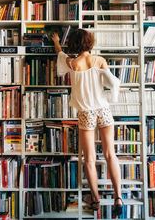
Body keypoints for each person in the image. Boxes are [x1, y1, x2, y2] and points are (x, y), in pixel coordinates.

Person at [52, 28, 123, 217]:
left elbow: (60, 55)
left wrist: (57, 42)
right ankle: (118, 197)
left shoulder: (73, 63)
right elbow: (112, 82)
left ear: (74, 44)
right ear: (90, 42)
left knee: (89, 160)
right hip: (103, 110)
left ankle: (95, 200)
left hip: (86, 113)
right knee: (110, 155)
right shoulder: (99, 60)